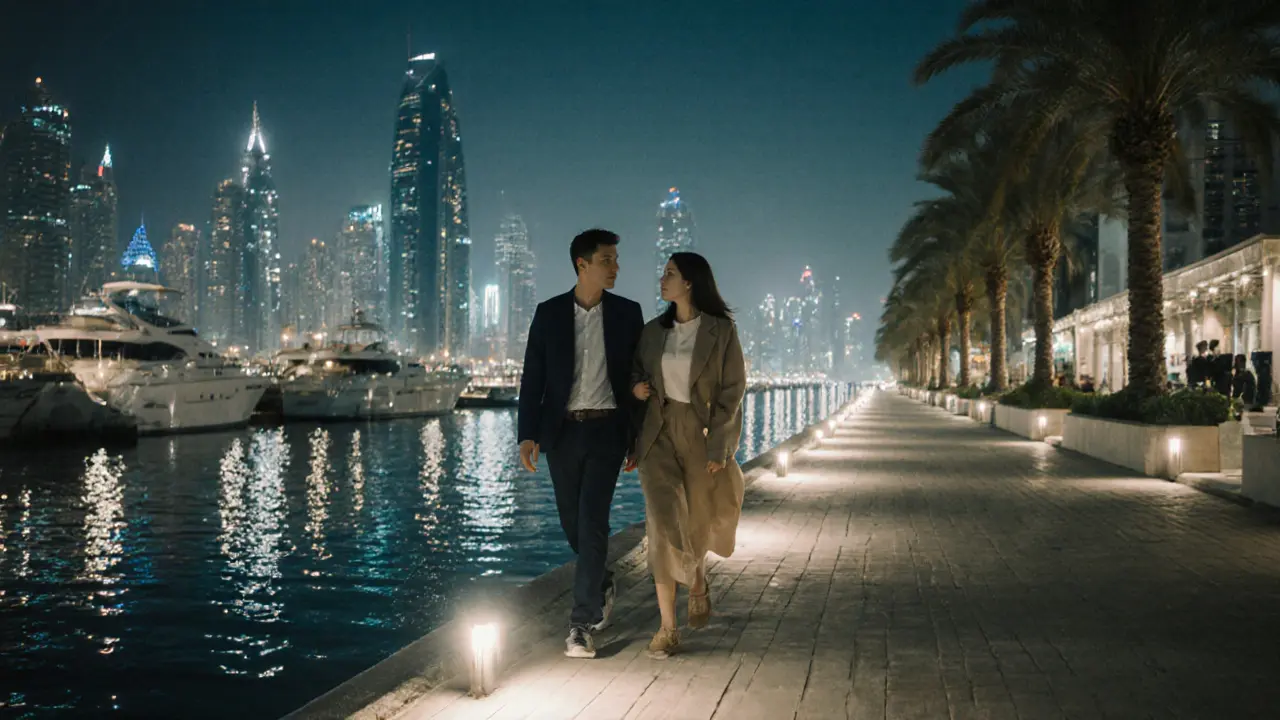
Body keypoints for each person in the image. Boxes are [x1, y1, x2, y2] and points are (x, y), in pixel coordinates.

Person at [517, 229, 645, 659]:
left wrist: (638, 435)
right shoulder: (549, 313)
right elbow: (532, 376)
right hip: (562, 432)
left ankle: (580, 624)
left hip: (608, 431)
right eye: (607, 260)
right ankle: (602, 579)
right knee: (573, 524)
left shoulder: (628, 313)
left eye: (616, 259)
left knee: (593, 524)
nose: (616, 267)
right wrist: (527, 434)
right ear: (582, 264)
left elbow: (635, 373)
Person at [630, 252, 746, 659]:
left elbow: (732, 391)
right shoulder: (652, 332)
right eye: (663, 273)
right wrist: (637, 389)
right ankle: (667, 627)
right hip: (658, 433)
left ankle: (698, 582)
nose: (662, 280)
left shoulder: (721, 331)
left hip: (699, 433)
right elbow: (634, 373)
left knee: (696, 517)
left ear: (691, 282)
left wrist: (720, 447)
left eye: (670, 274)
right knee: (662, 522)